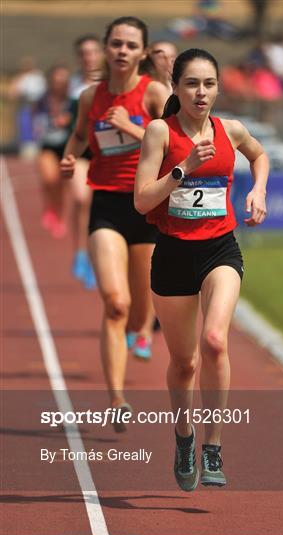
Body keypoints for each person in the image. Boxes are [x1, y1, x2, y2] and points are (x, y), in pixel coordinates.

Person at [134, 48, 269, 491]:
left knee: (214, 341)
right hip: (173, 256)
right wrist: (183, 168)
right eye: (192, 83)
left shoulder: (231, 130)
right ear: (175, 87)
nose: (201, 92)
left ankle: (213, 445)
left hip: (220, 251)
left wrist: (258, 191)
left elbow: (259, 154)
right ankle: (183, 436)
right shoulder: (159, 131)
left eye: (209, 83)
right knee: (184, 362)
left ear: (218, 88)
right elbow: (142, 201)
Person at [60, 17, 169, 418]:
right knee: (115, 303)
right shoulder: (92, 97)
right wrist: (71, 156)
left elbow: (177, 146)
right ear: (106, 49)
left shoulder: (153, 92)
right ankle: (117, 398)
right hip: (105, 205)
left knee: (141, 311)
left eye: (130, 45)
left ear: (142, 52)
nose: (122, 51)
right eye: (116, 44)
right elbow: (78, 135)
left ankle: (142, 332)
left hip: (145, 207)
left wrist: (132, 128)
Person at [68, 34, 104, 289]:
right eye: (84, 53)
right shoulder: (73, 86)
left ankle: (94, 257)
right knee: (81, 199)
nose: (89, 57)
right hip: (82, 153)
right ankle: (80, 252)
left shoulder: (110, 83)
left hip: (106, 154)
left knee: (96, 206)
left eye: (93, 52)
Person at [35, 64, 72, 238]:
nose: (59, 83)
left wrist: (68, 120)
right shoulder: (42, 99)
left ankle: (60, 215)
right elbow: (36, 117)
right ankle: (50, 206)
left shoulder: (72, 101)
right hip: (48, 144)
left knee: (62, 184)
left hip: (66, 145)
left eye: (62, 80)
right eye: (56, 79)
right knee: (49, 178)